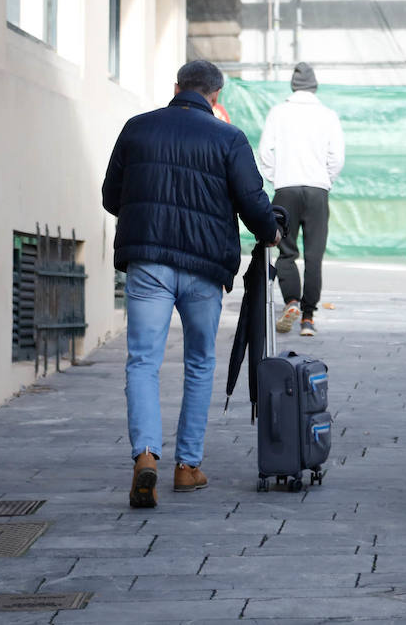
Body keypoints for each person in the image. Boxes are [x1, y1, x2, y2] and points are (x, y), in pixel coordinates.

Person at [102, 60, 281, 509]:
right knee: (199, 362)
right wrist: (272, 233)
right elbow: (252, 201)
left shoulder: (137, 128)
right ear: (216, 96)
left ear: (177, 87)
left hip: (149, 262)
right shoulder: (229, 137)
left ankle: (145, 456)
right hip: (204, 267)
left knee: (143, 361)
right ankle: (187, 466)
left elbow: (111, 196)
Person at [258, 62, 345, 337]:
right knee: (314, 255)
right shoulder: (328, 115)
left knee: (285, 250)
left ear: (293, 86)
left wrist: (277, 178)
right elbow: (337, 157)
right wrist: (325, 180)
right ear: (314, 86)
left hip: (286, 188)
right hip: (318, 190)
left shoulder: (278, 112)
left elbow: (265, 152)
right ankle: (308, 319)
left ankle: (291, 301)